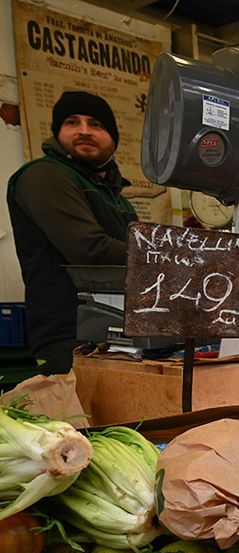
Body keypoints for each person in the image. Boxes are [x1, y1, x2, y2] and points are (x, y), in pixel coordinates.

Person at [7, 91, 135, 375]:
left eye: (96, 124)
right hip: (72, 337)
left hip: (117, 332)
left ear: (113, 137)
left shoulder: (114, 194)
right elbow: (89, 249)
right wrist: (169, 259)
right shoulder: (45, 175)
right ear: (57, 132)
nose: (84, 131)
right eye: (72, 122)